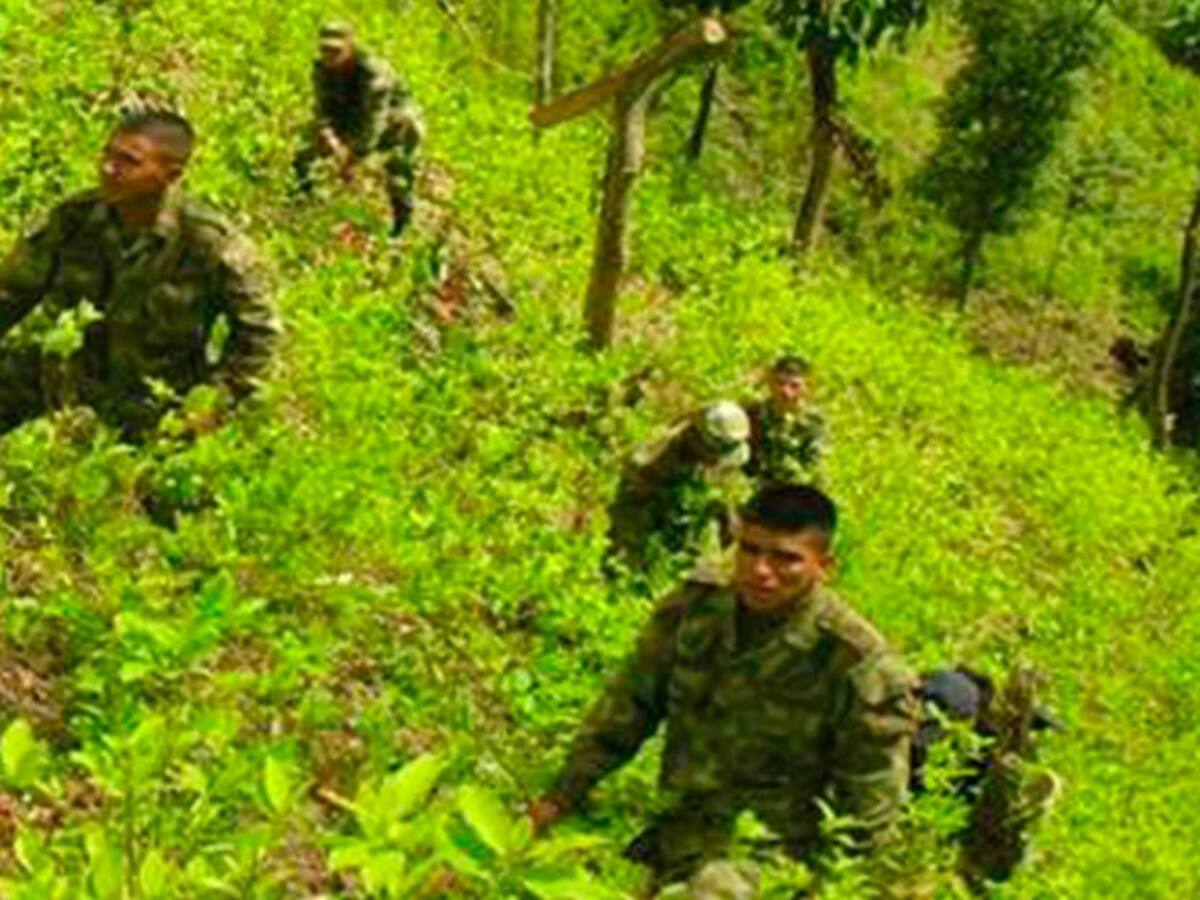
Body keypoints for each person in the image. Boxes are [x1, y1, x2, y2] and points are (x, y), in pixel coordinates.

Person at [534, 485, 919, 895]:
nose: (760, 571)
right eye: (750, 550)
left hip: (776, 854)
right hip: (679, 829)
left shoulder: (855, 662)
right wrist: (558, 798)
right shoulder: (696, 609)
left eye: (786, 558)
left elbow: (871, 811)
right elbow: (628, 709)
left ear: (824, 566)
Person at [0, 110, 279, 440]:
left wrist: (211, 405)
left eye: (129, 162)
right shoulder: (73, 219)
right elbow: (10, 294)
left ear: (171, 175)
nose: (108, 169)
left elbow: (259, 335)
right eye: (108, 155)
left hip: (155, 403)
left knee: (161, 485)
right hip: (64, 382)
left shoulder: (207, 241)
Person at [913, 667, 1062, 890]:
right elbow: (913, 756)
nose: (1029, 741)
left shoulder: (979, 753)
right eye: (1028, 728)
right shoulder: (961, 697)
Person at [293, 21, 425, 237]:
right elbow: (323, 106)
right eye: (324, 49)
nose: (329, 56)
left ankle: (401, 227)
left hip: (394, 123)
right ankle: (303, 202)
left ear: (350, 47)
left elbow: (374, 121)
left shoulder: (373, 73)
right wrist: (328, 134)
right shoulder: (322, 69)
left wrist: (352, 159)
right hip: (352, 117)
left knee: (399, 172)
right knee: (304, 153)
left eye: (336, 51)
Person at [605, 401, 752, 580]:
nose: (717, 459)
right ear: (697, 438)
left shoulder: (726, 453)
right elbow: (628, 508)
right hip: (651, 503)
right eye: (714, 452)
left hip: (698, 512)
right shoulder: (651, 458)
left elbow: (727, 489)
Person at [743, 356, 826, 487]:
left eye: (794, 386)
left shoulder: (813, 421)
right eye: (780, 383)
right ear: (770, 384)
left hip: (795, 488)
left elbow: (814, 465)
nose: (785, 391)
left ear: (806, 388)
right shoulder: (754, 414)